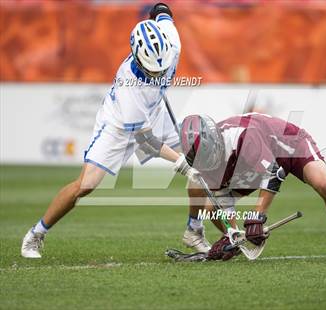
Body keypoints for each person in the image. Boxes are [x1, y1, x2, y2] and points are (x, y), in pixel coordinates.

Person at [21, 3, 210, 258]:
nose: (159, 73)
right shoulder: (128, 87)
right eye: (152, 70)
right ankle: (36, 234)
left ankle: (194, 231)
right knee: (86, 185)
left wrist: (158, 11)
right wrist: (181, 163)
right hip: (119, 126)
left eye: (161, 67)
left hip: (155, 113)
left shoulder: (172, 41)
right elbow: (146, 142)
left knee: (200, 165)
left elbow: (162, 9)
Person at [179, 112, 326, 263]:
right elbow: (223, 200)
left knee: (324, 185)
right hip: (250, 162)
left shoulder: (243, 136)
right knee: (212, 208)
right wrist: (233, 236)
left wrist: (257, 217)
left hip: (290, 145)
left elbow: (272, 174)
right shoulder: (202, 162)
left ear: (216, 141)